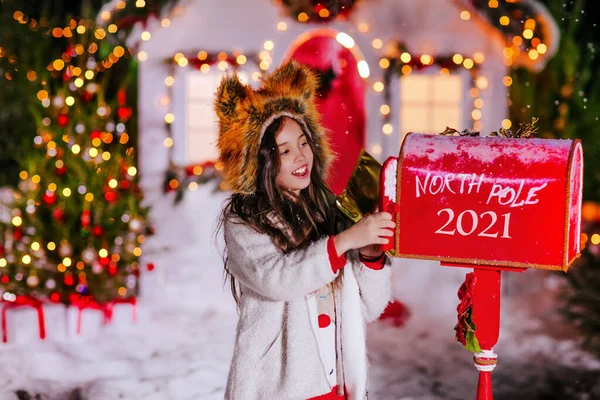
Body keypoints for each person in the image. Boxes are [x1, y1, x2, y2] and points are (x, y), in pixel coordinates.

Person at [215, 61, 394, 400]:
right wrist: (343, 242)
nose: (300, 157)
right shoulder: (244, 223)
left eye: (303, 143)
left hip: (337, 385)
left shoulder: (325, 211)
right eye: (284, 150)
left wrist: (370, 258)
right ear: (260, 161)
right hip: (281, 390)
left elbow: (369, 308)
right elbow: (278, 280)